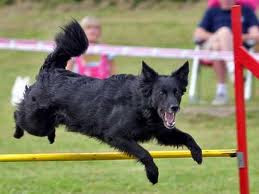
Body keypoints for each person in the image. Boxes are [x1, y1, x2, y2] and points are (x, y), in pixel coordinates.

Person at [194, 0, 259, 105]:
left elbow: (256, 35)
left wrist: (233, 38)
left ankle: (221, 92)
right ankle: (233, 69)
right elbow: (198, 33)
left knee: (218, 46)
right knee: (223, 32)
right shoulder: (212, 11)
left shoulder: (246, 11)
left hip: (238, 49)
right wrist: (221, 36)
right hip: (211, 46)